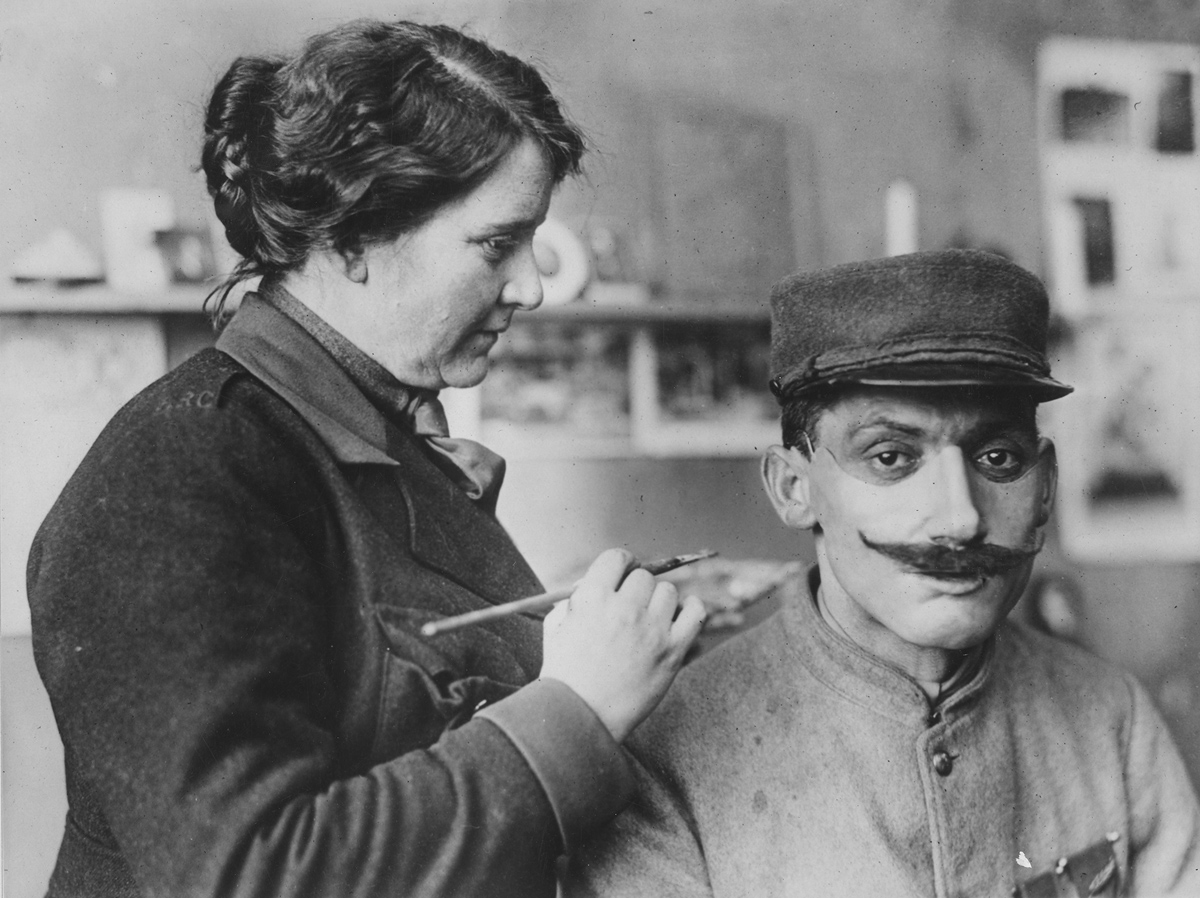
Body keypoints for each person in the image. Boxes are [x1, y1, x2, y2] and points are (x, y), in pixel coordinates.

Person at [27, 20, 705, 898]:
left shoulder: (376, 442)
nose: (532, 286)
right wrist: (576, 708)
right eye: (498, 244)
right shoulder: (182, 471)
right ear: (351, 242)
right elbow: (249, 872)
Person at [565, 249, 1200, 898]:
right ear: (792, 487)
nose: (959, 518)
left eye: (998, 456)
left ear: (1044, 488)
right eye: (892, 456)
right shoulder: (663, 756)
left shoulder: (1111, 718)